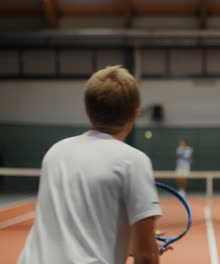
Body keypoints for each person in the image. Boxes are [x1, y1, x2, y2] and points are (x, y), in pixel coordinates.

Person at [18, 66, 163, 264]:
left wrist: (132, 246)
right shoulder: (134, 162)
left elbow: (77, 229)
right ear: (134, 114)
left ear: (87, 110)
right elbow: (146, 256)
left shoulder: (55, 153)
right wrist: (145, 248)